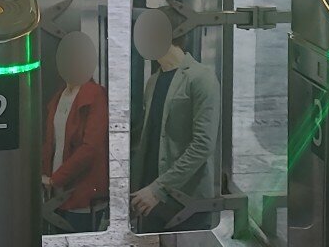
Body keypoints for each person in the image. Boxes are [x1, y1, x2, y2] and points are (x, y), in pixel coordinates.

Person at [130, 35, 220, 233]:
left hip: (185, 202)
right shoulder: (153, 82)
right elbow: (149, 140)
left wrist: (159, 188)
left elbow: (203, 145)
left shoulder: (201, 77)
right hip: (150, 201)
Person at [41, 33, 109, 233]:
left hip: (82, 195)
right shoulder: (60, 95)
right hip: (57, 193)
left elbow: (91, 148)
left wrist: (56, 178)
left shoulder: (95, 95)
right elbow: (51, 143)